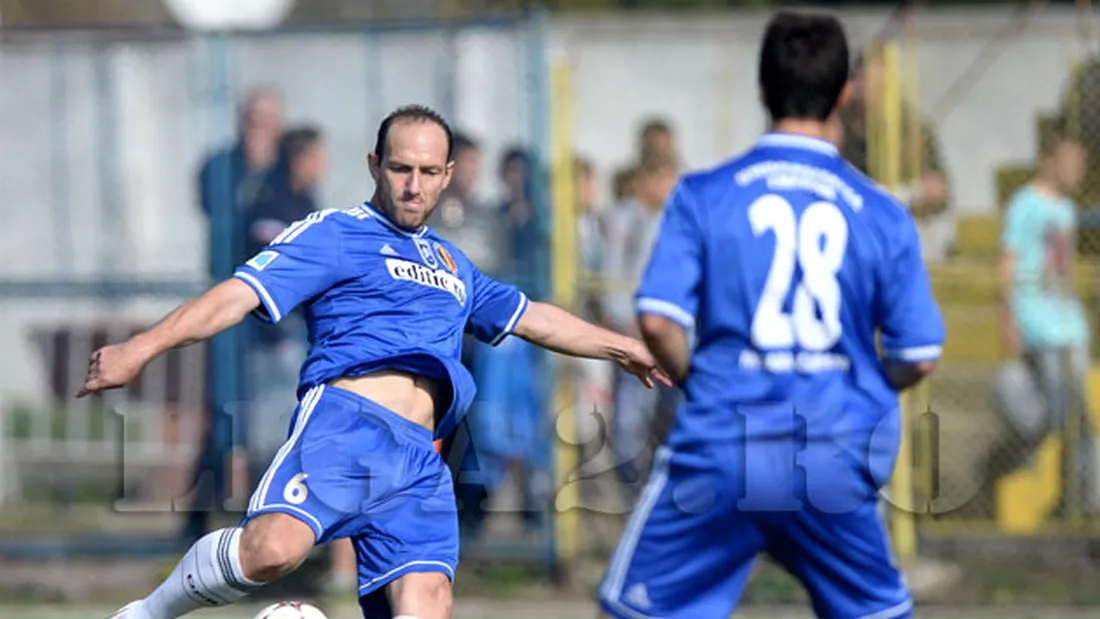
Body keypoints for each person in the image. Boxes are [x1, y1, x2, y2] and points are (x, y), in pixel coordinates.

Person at [86, 105, 669, 619]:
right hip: (345, 428)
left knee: (428, 604)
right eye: (400, 169)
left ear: (447, 177)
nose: (413, 186)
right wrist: (140, 349)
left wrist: (625, 347)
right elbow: (237, 294)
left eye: (427, 172)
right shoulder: (337, 233)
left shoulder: (454, 265)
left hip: (419, 462)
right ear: (374, 165)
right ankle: (146, 612)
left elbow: (532, 316)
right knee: (271, 551)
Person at [597, 12, 944, 619]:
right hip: (833, 453)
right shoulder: (882, 212)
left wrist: (698, 381)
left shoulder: (704, 192)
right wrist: (862, 383)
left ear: (762, 90)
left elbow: (655, 320)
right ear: (845, 94)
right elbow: (919, 354)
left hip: (723, 445)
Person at [990, 128, 1096, 518]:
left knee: (1077, 418)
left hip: (1069, 325)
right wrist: (1009, 318)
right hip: (1041, 324)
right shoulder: (1025, 204)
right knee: (1062, 415)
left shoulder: (1066, 209)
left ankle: (1079, 500)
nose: (1075, 169)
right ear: (1047, 161)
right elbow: (1008, 262)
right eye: (1068, 160)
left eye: (1080, 163)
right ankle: (1036, 474)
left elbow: (1062, 268)